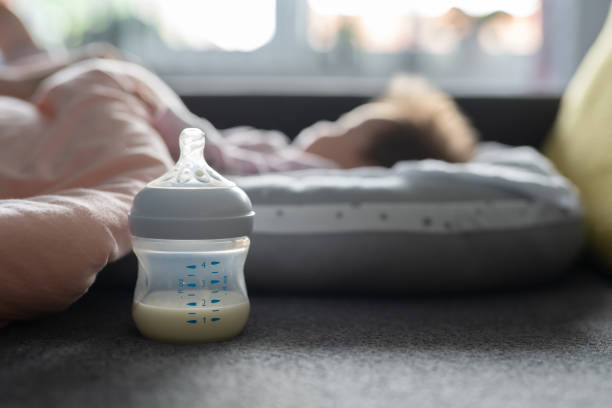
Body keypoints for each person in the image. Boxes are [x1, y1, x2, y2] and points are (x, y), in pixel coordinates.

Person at [0, 3, 477, 326]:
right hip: (157, 134)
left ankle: (29, 71)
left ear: (365, 162)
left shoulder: (308, 171)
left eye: (344, 125)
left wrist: (168, 113)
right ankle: (30, 68)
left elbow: (214, 159)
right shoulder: (291, 151)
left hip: (162, 146)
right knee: (97, 71)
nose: (327, 126)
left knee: (110, 71)